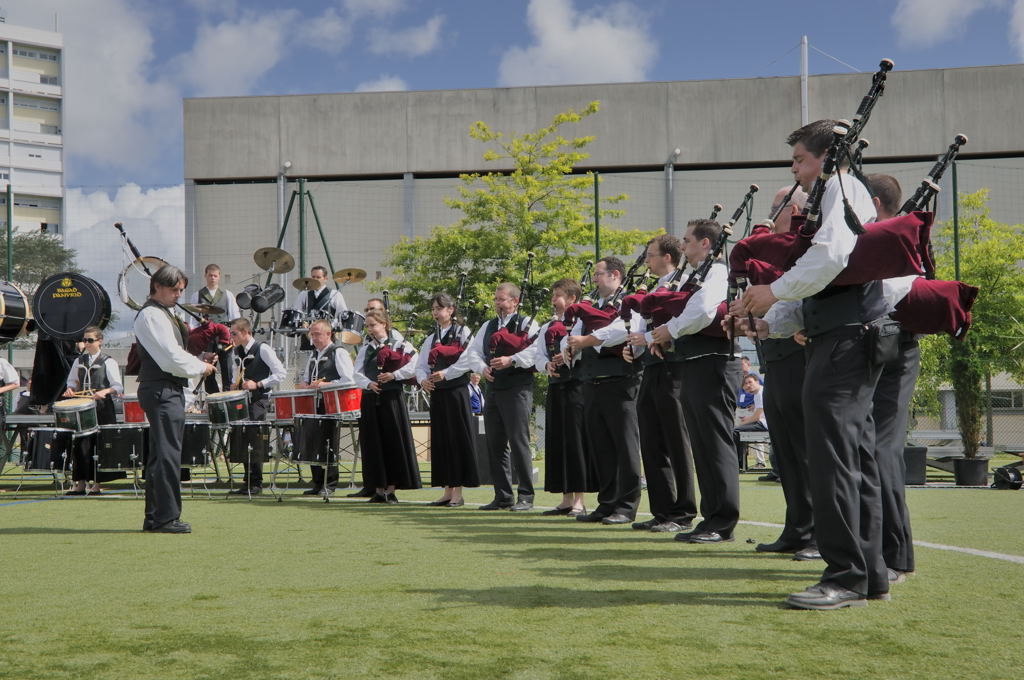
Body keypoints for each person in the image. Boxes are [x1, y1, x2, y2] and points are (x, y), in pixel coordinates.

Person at [737, 119, 886, 609]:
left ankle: (845, 576)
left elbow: (830, 258)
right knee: (852, 458)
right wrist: (776, 314)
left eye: (800, 159)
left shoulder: (840, 189)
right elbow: (827, 276)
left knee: (834, 460)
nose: (796, 170)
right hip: (842, 335)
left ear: (826, 157)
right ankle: (869, 573)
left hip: (844, 342)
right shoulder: (843, 192)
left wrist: (772, 291)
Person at [640, 220, 741, 544]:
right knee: (702, 445)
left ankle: (722, 520)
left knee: (715, 445)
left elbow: (703, 310)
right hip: (695, 361)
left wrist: (670, 330)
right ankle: (712, 518)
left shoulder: (716, 273)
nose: (681, 247)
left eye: (686, 241)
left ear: (706, 245)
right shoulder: (695, 275)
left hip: (714, 362)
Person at [749, 185, 817, 559]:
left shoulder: (804, 250)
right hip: (775, 355)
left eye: (773, 210)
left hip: (801, 356)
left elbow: (798, 300)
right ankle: (798, 527)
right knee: (786, 451)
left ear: (792, 210)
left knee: (807, 449)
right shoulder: (778, 255)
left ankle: (819, 532)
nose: (767, 218)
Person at [134, 264, 216, 533]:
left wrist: (197, 362)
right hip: (162, 388)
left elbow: (174, 354)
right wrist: (200, 367)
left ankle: (156, 516)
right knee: (168, 455)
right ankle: (165, 518)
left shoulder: (159, 314)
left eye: (181, 290)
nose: (179, 294)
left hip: (164, 388)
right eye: (174, 289)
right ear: (157, 287)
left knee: (161, 455)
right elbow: (170, 357)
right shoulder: (152, 315)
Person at [625, 235, 698, 534]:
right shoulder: (654, 287)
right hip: (651, 367)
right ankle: (662, 509)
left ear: (668, 257)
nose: (647, 260)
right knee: (652, 440)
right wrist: (635, 346)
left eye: (651, 255)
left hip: (674, 367)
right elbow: (644, 326)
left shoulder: (683, 283)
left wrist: (655, 338)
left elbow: (685, 318)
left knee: (675, 442)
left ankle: (682, 512)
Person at [564, 257, 642, 526]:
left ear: (615, 275)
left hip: (621, 382)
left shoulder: (627, 303)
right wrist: (570, 346)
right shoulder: (590, 306)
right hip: (592, 382)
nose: (594, 279)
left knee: (625, 446)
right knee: (601, 448)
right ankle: (607, 503)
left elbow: (623, 330)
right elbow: (573, 334)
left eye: (598, 274)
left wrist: (588, 341)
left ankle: (627, 505)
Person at [868, 172, 917, 583]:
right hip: (864, 352)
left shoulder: (901, 238)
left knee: (883, 450)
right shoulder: (871, 238)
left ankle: (896, 555)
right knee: (866, 450)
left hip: (893, 350)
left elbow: (892, 291)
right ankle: (868, 547)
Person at [454, 282, 538, 511]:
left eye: (502, 300)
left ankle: (526, 496)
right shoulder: (488, 325)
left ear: (514, 301)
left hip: (518, 388)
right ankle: (502, 496)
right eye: (496, 300)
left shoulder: (527, 323)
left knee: (519, 442)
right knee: (496, 443)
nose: (498, 304)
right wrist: (482, 368)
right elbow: (473, 352)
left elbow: (535, 351)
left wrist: (512, 359)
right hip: (495, 389)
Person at [535, 279, 594, 517]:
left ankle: (579, 499)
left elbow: (587, 349)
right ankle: (565, 498)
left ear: (571, 298)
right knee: (558, 439)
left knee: (577, 441)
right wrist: (546, 364)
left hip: (577, 385)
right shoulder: (547, 325)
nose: (553, 300)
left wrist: (569, 355)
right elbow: (537, 354)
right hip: (556, 386)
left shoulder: (583, 321)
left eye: (557, 295)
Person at [416, 293, 480, 507]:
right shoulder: (431, 335)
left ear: (451, 310)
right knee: (442, 441)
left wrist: (447, 373)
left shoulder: (463, 332)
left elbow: (468, 359)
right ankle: (446, 490)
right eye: (433, 309)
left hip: (455, 391)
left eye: (439, 308)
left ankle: (458, 493)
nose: (435, 312)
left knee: (456, 440)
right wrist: (423, 379)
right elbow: (421, 363)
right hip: (438, 392)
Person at [354, 309, 421, 503]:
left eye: (373, 325)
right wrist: (368, 383)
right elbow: (356, 372)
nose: (371, 329)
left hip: (391, 399)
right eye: (368, 326)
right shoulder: (367, 348)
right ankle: (378, 489)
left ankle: (391, 489)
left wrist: (394, 375)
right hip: (370, 399)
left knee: (393, 442)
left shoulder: (400, 344)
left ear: (384, 324)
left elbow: (413, 366)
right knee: (373, 444)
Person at [227, 317, 286, 495]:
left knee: (255, 438)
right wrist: (233, 384)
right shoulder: (236, 351)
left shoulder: (263, 349)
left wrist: (258, 384)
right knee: (242, 439)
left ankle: (257, 483)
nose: (232, 337)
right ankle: (247, 481)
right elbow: (234, 373)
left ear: (246, 332)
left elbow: (280, 373)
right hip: (241, 401)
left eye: (234, 333)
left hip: (259, 399)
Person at [63, 326, 125, 496]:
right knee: (80, 444)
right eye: (85, 340)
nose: (86, 343)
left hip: (103, 408)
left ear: (100, 341)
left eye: (90, 340)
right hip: (83, 408)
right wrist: (70, 390)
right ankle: (80, 483)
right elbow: (72, 382)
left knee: (100, 445)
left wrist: (104, 391)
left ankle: (97, 484)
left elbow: (117, 386)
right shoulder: (79, 361)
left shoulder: (108, 361)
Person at [298, 318, 356, 496]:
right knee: (313, 443)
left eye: (317, 334)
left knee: (328, 443)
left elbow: (349, 380)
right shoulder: (314, 355)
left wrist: (326, 385)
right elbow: (308, 378)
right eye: (312, 334)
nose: (314, 338)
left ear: (329, 334)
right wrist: (305, 385)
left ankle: (329, 483)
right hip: (314, 404)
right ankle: (317, 482)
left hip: (332, 405)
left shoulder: (338, 352)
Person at [733, 374, 768, 469]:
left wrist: (745, 421)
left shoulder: (760, 393)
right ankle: (739, 462)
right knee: (737, 430)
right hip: (762, 422)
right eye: (745, 384)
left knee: (735, 431)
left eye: (750, 382)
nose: (748, 385)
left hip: (764, 424)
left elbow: (757, 417)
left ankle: (737, 463)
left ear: (757, 382)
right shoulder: (757, 394)